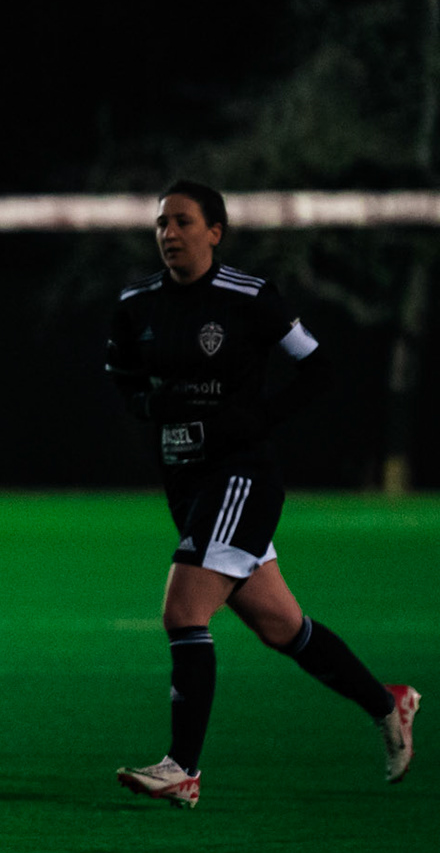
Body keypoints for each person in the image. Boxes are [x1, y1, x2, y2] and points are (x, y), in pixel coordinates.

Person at [107, 181, 418, 805]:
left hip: (241, 475)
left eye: (184, 222)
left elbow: (319, 368)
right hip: (188, 481)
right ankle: (387, 701)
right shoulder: (138, 303)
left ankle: (183, 769)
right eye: (162, 223)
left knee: (184, 610)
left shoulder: (249, 298)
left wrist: (261, 419)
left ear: (215, 232)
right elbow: (122, 374)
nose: (169, 233)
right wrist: (148, 403)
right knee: (283, 627)